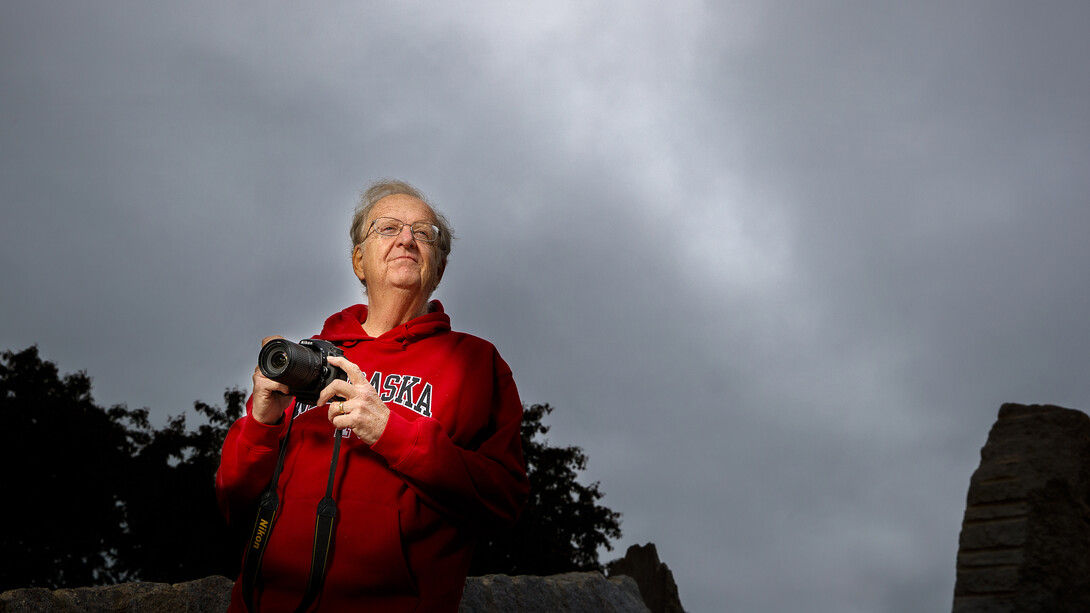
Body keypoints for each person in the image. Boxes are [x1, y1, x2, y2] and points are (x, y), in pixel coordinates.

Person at [216, 180, 530, 612]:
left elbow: (505, 499)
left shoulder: (477, 362)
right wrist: (261, 423)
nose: (407, 239)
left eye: (424, 233)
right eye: (388, 228)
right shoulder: (311, 358)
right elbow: (232, 502)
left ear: (438, 269)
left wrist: (389, 431)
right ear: (358, 261)